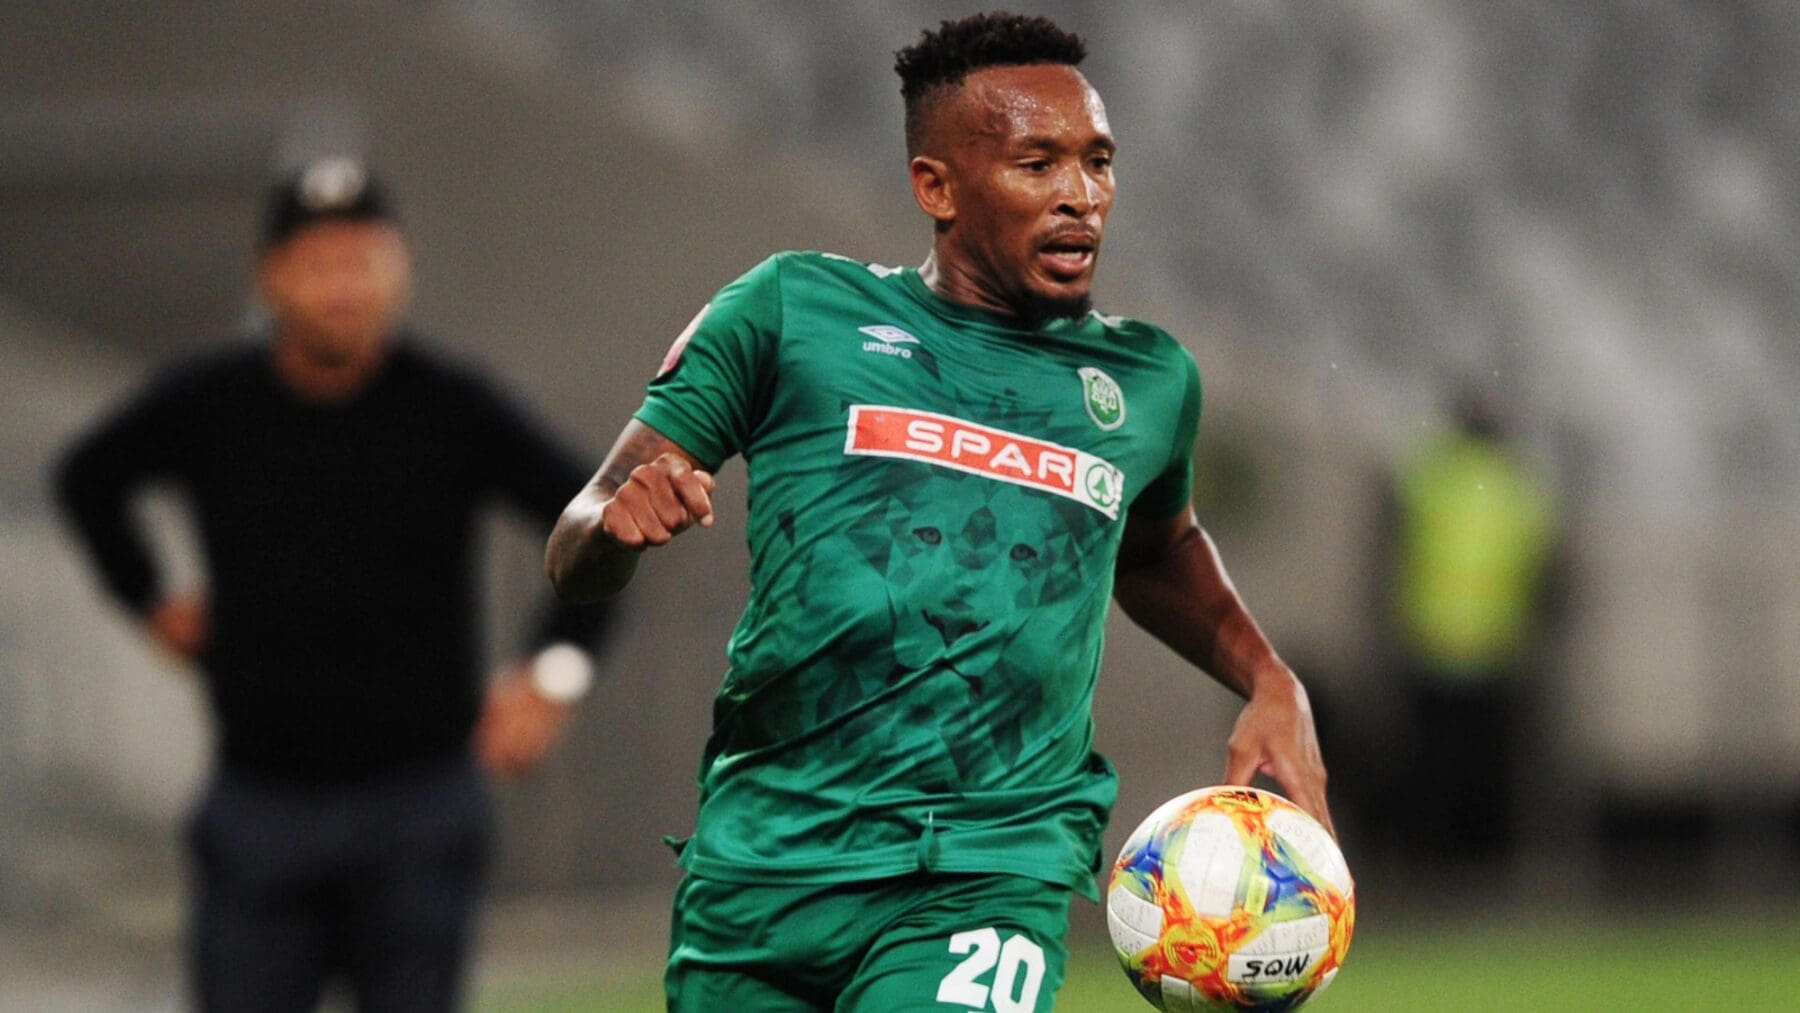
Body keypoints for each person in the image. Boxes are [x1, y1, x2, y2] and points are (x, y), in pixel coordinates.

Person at [547, 13, 1332, 1012]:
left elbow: (1154, 547)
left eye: (1097, 161)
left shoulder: (1146, 382)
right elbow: (578, 537)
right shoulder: (792, 312)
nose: (1082, 196)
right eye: (1038, 164)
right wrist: (616, 529)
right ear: (937, 187)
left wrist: (1269, 678)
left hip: (988, 864)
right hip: (766, 855)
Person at [55, 158, 610, 1013]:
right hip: (260, 806)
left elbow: (600, 516)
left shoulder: (448, 406)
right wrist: (149, 598)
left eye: (361, 260)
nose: (341, 287)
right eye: (316, 263)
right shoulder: (213, 402)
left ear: (399, 269)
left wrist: (554, 671)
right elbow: (88, 478)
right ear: (270, 277)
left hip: (419, 805)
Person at [1384, 391, 1558, 860]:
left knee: (1431, 757)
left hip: (1431, 636)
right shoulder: (1519, 483)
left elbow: (1393, 543)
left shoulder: (1428, 475)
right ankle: (1482, 854)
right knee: (1488, 758)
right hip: (1496, 640)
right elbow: (1547, 564)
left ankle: (1429, 851)